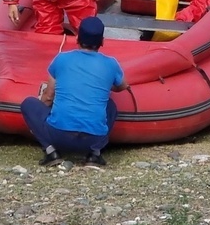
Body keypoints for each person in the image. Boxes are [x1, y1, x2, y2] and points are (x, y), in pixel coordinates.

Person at [20, 16, 129, 168]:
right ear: (102, 41)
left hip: (59, 136)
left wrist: (45, 104)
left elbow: (48, 98)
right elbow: (123, 86)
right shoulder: (111, 63)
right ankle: (94, 154)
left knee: (28, 104)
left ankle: (51, 152)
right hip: (93, 139)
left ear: (77, 38)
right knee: (110, 105)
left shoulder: (61, 59)